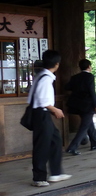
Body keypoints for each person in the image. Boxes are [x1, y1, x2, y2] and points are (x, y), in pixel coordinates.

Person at [29, 49, 72, 187]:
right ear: (57, 64)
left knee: (56, 140)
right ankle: (39, 178)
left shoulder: (41, 76)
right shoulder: (46, 78)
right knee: (42, 146)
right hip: (41, 113)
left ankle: (56, 173)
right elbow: (42, 100)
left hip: (41, 113)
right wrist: (55, 109)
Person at [65, 58, 96, 155]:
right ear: (89, 67)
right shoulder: (90, 77)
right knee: (84, 127)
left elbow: (67, 87)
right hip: (87, 105)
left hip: (77, 105)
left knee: (89, 123)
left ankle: (95, 144)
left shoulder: (75, 77)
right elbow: (92, 91)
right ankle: (72, 147)